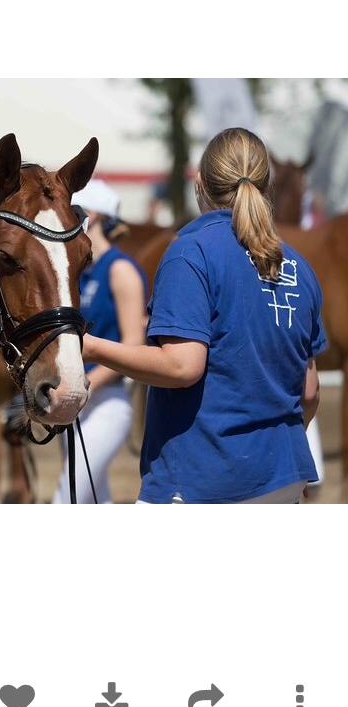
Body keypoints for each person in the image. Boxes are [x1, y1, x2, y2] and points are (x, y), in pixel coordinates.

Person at [83, 128, 327, 504]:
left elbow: (182, 366)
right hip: (286, 475)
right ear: (266, 187)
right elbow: (308, 391)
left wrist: (92, 348)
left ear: (201, 184)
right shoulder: (298, 266)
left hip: (201, 476)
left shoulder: (191, 253)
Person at [52, 180, 148, 503]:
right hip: (76, 403)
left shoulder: (120, 270)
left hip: (108, 403)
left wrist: (84, 384)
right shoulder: (81, 271)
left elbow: (135, 346)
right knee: (93, 498)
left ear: (91, 215)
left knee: (69, 498)